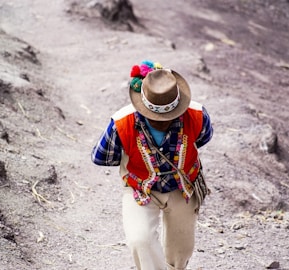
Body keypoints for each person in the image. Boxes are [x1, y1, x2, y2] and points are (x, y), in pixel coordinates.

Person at [91, 60, 213, 270]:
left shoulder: (197, 115)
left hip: (183, 187)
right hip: (140, 187)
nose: (162, 121)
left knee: (180, 251)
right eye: (155, 117)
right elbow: (101, 156)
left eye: (168, 116)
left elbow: (202, 138)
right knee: (140, 240)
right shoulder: (121, 122)